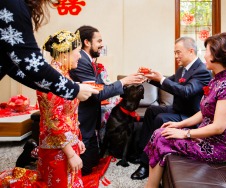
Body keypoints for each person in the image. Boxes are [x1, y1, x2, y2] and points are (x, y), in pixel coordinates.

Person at [144, 32, 226, 188]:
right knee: (161, 132)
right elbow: (204, 112)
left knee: (161, 137)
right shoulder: (217, 81)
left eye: (207, 51)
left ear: (217, 55)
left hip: (217, 147)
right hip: (205, 138)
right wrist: (178, 125)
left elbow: (219, 127)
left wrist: (185, 133)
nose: (204, 56)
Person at [0, 30, 87, 187]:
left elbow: (69, 114)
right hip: (57, 146)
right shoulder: (53, 79)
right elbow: (54, 121)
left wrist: (77, 139)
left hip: (65, 140)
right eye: (77, 52)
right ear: (65, 53)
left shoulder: (63, 75)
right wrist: (71, 153)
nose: (80, 56)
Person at [130, 37, 212, 180]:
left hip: (190, 116)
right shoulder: (182, 69)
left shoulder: (202, 70)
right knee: (152, 110)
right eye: (174, 52)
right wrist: (150, 79)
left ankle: (146, 164)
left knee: (161, 118)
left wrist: (161, 78)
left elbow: (186, 91)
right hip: (178, 110)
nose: (176, 56)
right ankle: (142, 153)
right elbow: (169, 84)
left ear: (190, 51)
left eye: (178, 52)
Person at [69, 25, 145, 176]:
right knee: (85, 168)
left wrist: (130, 81)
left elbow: (101, 87)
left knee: (93, 159)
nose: (102, 44)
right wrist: (124, 82)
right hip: (81, 120)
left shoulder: (89, 60)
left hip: (89, 121)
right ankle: (35, 150)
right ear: (87, 42)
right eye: (99, 41)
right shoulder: (83, 61)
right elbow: (98, 93)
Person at [0, 0, 97, 102]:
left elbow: (14, 67)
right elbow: (32, 64)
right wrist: (73, 89)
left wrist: (71, 86)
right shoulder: (12, 4)